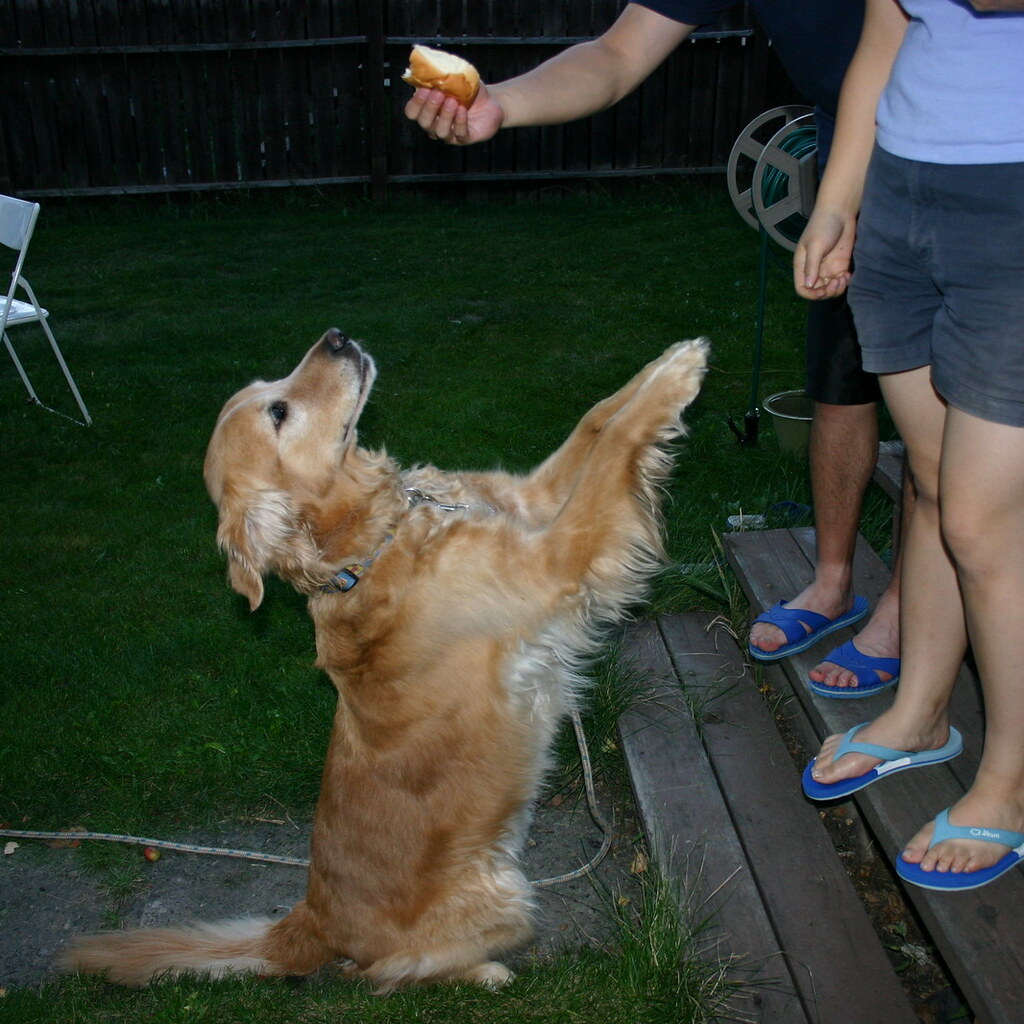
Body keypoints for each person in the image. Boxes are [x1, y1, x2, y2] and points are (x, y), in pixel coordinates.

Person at [405, 1, 907, 698]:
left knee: (936, 422)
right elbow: (617, 55)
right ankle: (832, 583)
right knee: (839, 378)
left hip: (957, 161)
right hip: (847, 146)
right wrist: (500, 103)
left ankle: (906, 612)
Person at [797, 0, 1024, 890]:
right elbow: (882, 41)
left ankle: (1007, 784)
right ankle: (923, 714)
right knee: (930, 483)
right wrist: (838, 203)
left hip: (1013, 199)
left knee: (980, 521)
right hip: (902, 187)